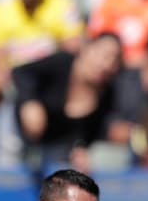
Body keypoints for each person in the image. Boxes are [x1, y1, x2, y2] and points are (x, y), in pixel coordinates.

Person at [13, 32, 137, 171]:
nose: (106, 64)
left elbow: (87, 135)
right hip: (19, 137)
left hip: (54, 155)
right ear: (86, 48)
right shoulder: (62, 63)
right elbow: (20, 73)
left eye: (114, 60)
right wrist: (29, 102)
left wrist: (82, 151)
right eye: (103, 54)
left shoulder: (108, 98)